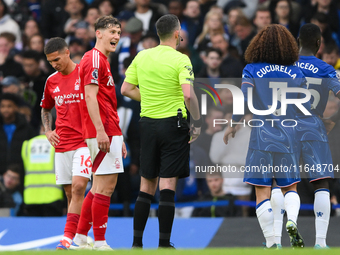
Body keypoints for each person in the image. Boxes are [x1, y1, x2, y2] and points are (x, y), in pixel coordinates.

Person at [223, 24, 307, 249]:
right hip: (289, 135)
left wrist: (233, 124)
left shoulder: (251, 69)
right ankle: (291, 221)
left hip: (262, 136)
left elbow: (244, 98)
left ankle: (271, 242)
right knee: (290, 188)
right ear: (290, 46)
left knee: (262, 190)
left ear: (258, 44)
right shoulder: (298, 72)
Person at [121, 14, 201, 248]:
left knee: (146, 185)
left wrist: (151, 97)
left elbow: (126, 89)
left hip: (147, 124)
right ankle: (164, 244)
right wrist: (196, 121)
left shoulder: (142, 55)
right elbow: (188, 94)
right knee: (167, 185)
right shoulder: (181, 60)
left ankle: (136, 244)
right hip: (173, 125)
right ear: (177, 34)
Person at [72, 15, 126, 251]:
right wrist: (103, 132)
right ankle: (101, 242)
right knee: (105, 187)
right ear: (99, 33)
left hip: (108, 130)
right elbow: (90, 96)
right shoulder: (94, 59)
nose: (116, 36)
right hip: (101, 131)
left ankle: (80, 239)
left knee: (97, 187)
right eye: (111, 31)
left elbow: (106, 101)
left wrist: (118, 135)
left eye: (118, 32)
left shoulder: (100, 59)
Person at [40, 37, 92, 250]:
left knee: (80, 187)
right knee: (70, 194)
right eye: (50, 61)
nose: (54, 64)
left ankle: (67, 238)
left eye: (57, 59)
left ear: (68, 52)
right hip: (62, 144)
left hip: (84, 142)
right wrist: (47, 130)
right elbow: (45, 107)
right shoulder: (51, 80)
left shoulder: (84, 74)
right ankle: (81, 238)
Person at [294, 23, 340, 249]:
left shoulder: (285, 66)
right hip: (314, 127)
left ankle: (275, 238)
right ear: (319, 44)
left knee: (283, 182)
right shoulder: (326, 68)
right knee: (321, 182)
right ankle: (320, 242)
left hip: (285, 128)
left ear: (297, 41)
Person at [22, 126, 64, 217]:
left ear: (41, 128)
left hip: (31, 196)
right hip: (53, 196)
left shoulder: (27, 144)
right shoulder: (58, 144)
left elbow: (23, 170)